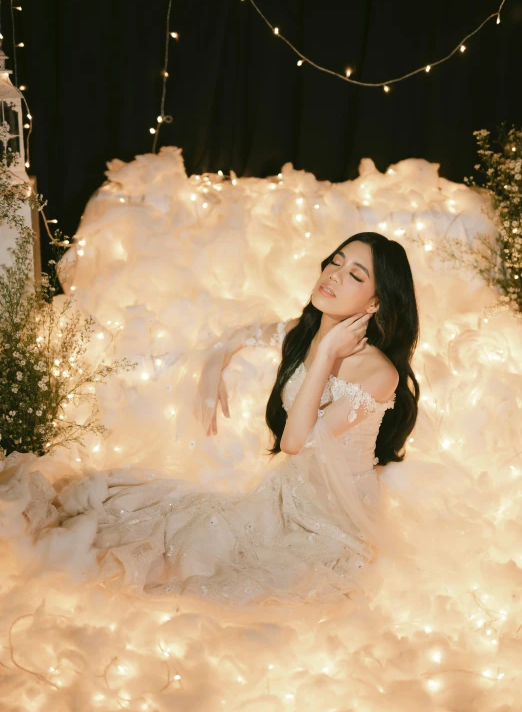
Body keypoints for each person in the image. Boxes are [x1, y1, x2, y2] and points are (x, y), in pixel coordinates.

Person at [4, 232, 420, 609]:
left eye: (355, 274)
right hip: (286, 493)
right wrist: (212, 369)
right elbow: (237, 337)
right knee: (173, 539)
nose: (333, 274)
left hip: (332, 521)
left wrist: (328, 355)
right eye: (335, 261)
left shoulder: (377, 373)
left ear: (375, 303)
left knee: (224, 584)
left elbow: (296, 441)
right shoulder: (302, 332)